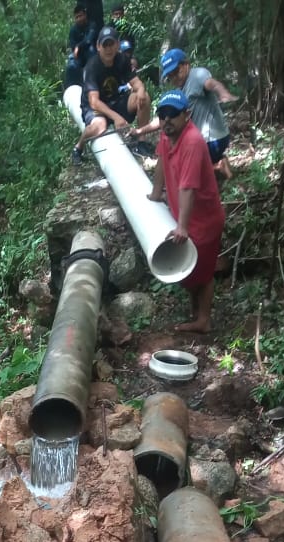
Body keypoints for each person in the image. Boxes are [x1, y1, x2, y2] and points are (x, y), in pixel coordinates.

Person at [147, 89, 226, 333]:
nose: (167, 120)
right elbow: (161, 160)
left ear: (187, 115)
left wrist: (182, 225)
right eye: (162, 115)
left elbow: (188, 187)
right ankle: (196, 313)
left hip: (203, 220)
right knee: (190, 273)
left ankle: (204, 320)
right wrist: (156, 192)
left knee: (202, 274)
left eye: (173, 114)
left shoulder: (191, 142)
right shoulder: (166, 134)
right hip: (186, 216)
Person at [130, 49, 238, 180]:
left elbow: (212, 84)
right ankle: (216, 162)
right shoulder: (179, 92)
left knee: (181, 168)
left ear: (186, 65)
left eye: (176, 72)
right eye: (170, 76)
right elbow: (163, 120)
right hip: (208, 141)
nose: (174, 77)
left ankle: (216, 165)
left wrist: (223, 93)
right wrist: (140, 131)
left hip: (211, 140)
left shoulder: (197, 75)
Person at [71, 25, 151, 165]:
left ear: (117, 45)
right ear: (98, 47)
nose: (108, 49)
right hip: (93, 108)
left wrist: (141, 91)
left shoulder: (122, 60)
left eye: (111, 44)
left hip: (115, 101)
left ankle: (141, 141)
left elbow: (137, 83)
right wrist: (116, 117)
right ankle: (78, 147)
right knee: (100, 125)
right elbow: (94, 102)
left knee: (144, 98)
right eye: (105, 45)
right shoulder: (92, 67)